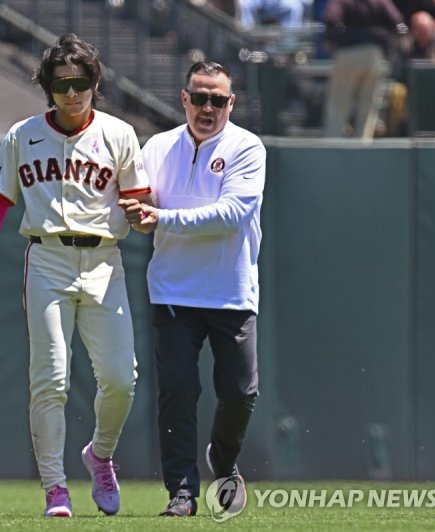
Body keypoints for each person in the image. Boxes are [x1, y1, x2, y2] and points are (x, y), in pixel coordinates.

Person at [0, 34, 151, 518]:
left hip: (105, 261)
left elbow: (140, 200)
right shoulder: (23, 134)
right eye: (61, 84)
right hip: (48, 259)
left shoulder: (119, 133)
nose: (72, 92)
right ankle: (55, 488)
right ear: (48, 87)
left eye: (81, 82)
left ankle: (100, 455)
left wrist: (144, 214)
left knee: (122, 380)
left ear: (94, 83)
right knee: (51, 380)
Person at [119, 61, 265, 517]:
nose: (207, 108)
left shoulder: (247, 147)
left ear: (230, 103)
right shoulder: (158, 147)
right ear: (183, 98)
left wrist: (161, 218)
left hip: (231, 291)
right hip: (173, 291)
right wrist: (140, 216)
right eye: (199, 97)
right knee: (178, 393)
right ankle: (181, 491)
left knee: (240, 393)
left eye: (217, 100)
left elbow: (231, 214)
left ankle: (222, 458)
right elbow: (141, 206)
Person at [322, 0, 406, 138]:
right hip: (373, 53)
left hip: (347, 52)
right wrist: (387, 39)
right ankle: (362, 144)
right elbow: (400, 25)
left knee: (339, 102)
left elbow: (331, 20)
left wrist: (344, 35)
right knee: (368, 105)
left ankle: (333, 141)